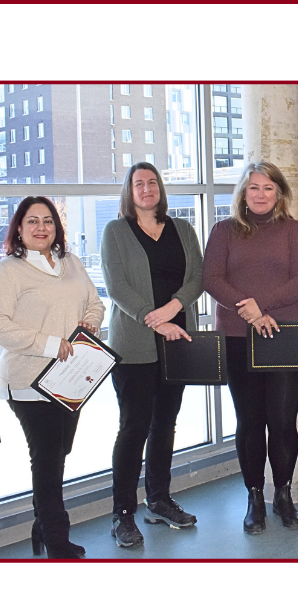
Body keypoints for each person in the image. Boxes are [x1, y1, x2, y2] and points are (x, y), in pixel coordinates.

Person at [0, 197, 104, 558]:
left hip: (70, 379)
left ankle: (40, 525)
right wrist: (49, 344)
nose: (40, 228)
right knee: (49, 459)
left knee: (60, 451)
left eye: (47, 221)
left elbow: (95, 304)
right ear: (19, 229)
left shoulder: (71, 263)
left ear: (57, 227)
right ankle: (56, 540)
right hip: (28, 380)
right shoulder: (9, 270)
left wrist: (90, 324)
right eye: (32, 221)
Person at [203, 161, 298, 534]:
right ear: (243, 193)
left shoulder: (294, 231)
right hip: (238, 336)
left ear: (279, 193)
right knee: (250, 422)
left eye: (269, 188)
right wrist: (251, 312)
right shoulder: (224, 231)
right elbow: (211, 279)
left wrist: (260, 305)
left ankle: (283, 494)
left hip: (286, 335)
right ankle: (255, 497)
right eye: (254, 188)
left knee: (283, 422)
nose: (261, 195)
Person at [100, 162, 204, 548]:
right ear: (130, 192)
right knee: (133, 429)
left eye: (152, 182)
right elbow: (116, 286)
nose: (147, 188)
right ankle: (122, 514)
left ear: (161, 188)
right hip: (134, 347)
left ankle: (158, 499)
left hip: (176, 343)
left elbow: (197, 275)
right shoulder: (115, 231)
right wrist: (153, 319)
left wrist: (175, 307)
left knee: (165, 426)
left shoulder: (182, 228)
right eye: (138, 183)